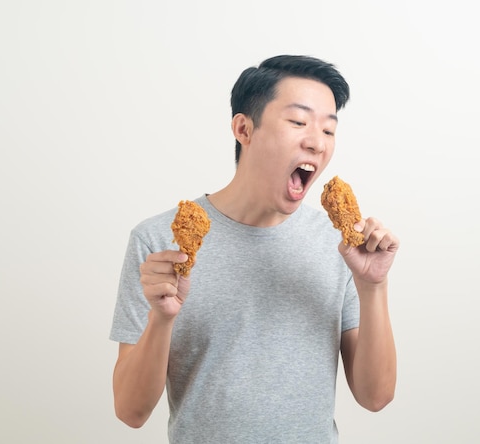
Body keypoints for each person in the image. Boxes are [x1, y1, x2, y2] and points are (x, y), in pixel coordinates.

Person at [110, 54, 399, 443]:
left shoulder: (342, 245)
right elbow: (130, 412)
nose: (316, 142)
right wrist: (161, 319)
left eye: (329, 130)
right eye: (298, 122)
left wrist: (373, 286)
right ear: (244, 129)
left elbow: (375, 396)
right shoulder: (160, 242)